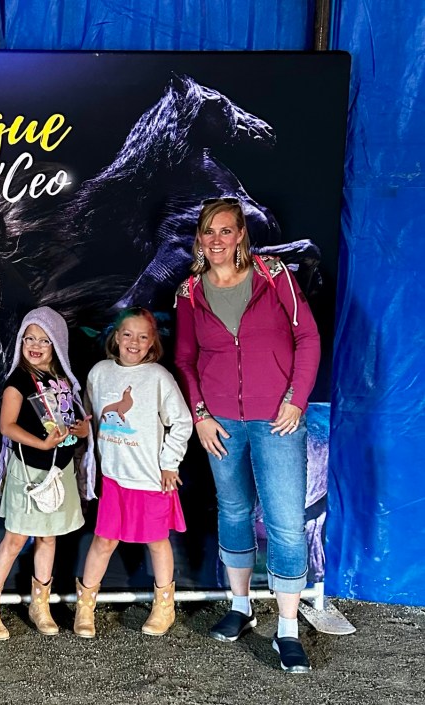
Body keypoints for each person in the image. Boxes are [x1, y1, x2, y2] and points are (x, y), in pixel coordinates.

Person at [174, 197, 321, 673]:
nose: (216, 240)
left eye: (225, 230)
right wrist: (200, 414)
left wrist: (296, 399)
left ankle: (287, 630)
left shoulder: (274, 276)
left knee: (284, 520)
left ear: (240, 235)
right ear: (199, 238)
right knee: (234, 510)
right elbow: (185, 359)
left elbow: (307, 338)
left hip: (278, 417)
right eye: (208, 231)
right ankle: (241, 608)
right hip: (221, 422)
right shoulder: (189, 291)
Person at [0, 307, 96, 640]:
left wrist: (81, 430)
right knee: (15, 538)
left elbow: (74, 425)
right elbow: (7, 426)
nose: (35, 346)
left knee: (48, 537)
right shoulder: (17, 381)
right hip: (28, 473)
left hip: (60, 471)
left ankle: (40, 606)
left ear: (57, 343)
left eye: (44, 340)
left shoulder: (64, 382)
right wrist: (41, 444)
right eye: (29, 338)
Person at [75, 307, 192, 638]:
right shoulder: (99, 373)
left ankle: (164, 607)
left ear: (152, 341)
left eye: (143, 336)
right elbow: (89, 418)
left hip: (149, 478)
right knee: (103, 540)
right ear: (116, 337)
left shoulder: (158, 377)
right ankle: (85, 607)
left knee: (157, 541)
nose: (134, 342)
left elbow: (181, 421)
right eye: (128, 334)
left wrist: (170, 463)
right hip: (113, 478)